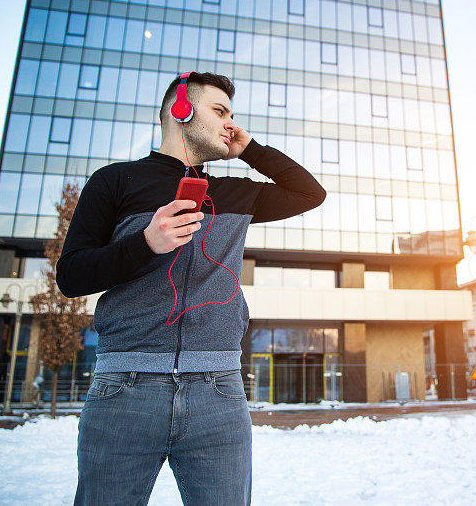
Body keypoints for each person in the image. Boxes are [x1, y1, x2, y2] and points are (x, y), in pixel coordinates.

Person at [57, 72, 326, 505]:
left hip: (218, 390)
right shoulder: (114, 182)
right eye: (220, 111)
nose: (230, 124)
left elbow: (310, 193)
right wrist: (146, 244)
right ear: (180, 110)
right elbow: (70, 276)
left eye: (233, 116)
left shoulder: (237, 194)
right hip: (125, 388)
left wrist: (250, 150)